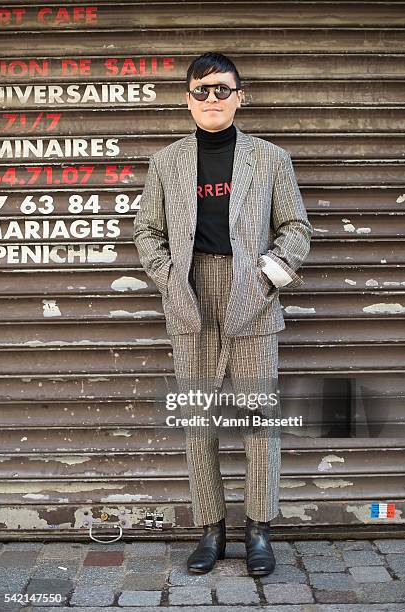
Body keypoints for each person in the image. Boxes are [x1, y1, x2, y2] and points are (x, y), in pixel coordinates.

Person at [133, 51, 313, 575]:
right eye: (202, 90)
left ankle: (259, 530)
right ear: (187, 98)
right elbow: (147, 230)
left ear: (240, 95)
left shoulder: (271, 158)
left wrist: (267, 277)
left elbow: (296, 229)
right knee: (198, 421)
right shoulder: (166, 162)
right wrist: (169, 280)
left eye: (222, 89)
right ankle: (210, 529)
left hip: (252, 292)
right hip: (190, 296)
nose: (212, 98)